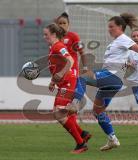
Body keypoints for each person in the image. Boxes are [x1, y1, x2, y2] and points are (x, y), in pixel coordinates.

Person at [69, 13, 138, 151]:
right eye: (108, 27)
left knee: (82, 77)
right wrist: (125, 67)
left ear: (120, 27)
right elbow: (123, 60)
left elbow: (135, 47)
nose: (109, 29)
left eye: (112, 27)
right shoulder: (115, 43)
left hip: (111, 77)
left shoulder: (123, 39)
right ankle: (112, 139)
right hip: (112, 80)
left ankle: (74, 103)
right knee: (98, 111)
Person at [43, 23, 88, 154]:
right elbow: (57, 67)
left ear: (53, 34)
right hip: (63, 83)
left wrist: (61, 74)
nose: (44, 36)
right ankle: (82, 135)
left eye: (46, 34)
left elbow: (70, 60)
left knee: (58, 113)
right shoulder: (53, 47)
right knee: (66, 114)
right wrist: (53, 81)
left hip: (68, 82)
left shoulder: (59, 46)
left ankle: (81, 143)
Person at [55, 12, 92, 142]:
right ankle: (83, 134)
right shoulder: (55, 39)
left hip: (72, 76)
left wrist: (85, 68)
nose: (61, 25)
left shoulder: (73, 37)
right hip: (62, 78)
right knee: (66, 110)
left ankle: (81, 140)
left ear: (69, 25)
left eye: (64, 23)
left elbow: (82, 53)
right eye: (59, 23)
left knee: (62, 110)